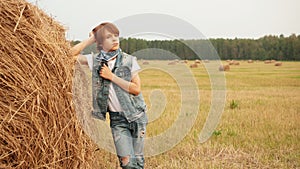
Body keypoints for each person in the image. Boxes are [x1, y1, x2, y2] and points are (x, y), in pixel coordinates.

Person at [71, 22, 148, 169]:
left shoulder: (129, 60)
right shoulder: (95, 60)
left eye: (116, 36)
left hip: (137, 115)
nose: (114, 39)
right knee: (126, 163)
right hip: (117, 119)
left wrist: (111, 76)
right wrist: (91, 39)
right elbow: (69, 55)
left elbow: (136, 89)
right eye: (108, 37)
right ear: (100, 42)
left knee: (138, 163)